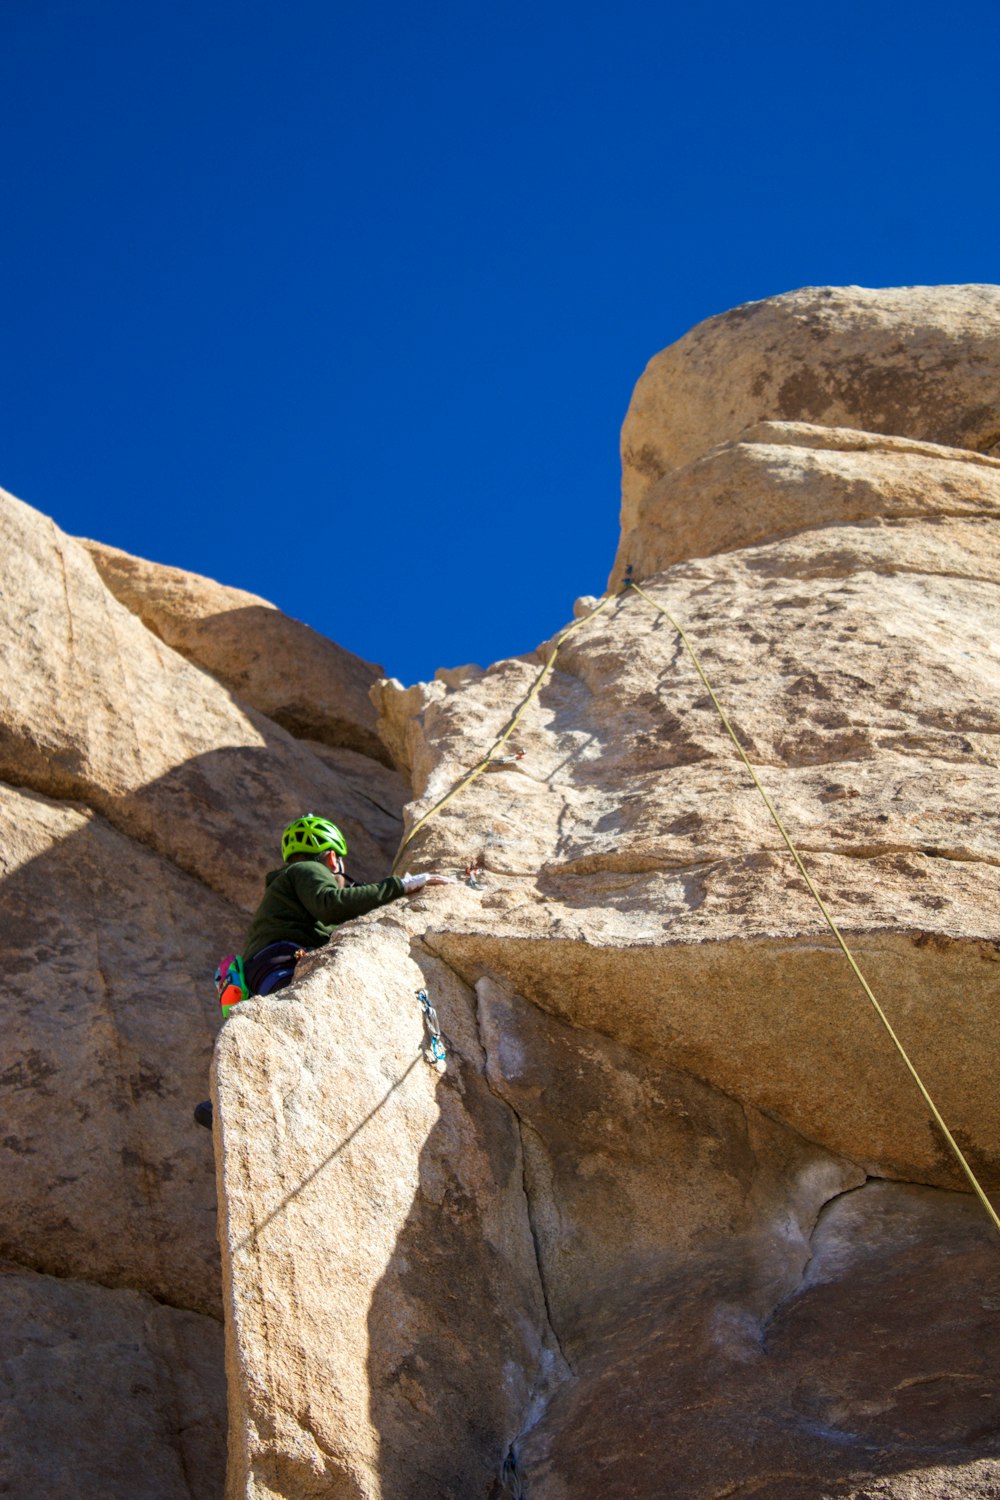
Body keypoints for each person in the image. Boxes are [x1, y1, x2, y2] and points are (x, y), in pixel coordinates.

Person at [194, 813, 452, 1128]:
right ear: (331, 856)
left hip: (263, 967)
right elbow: (332, 903)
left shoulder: (287, 885)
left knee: (281, 1028)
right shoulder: (307, 869)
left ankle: (238, 1094)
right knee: (288, 1024)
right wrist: (403, 885)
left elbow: (348, 899)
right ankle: (233, 1096)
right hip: (282, 961)